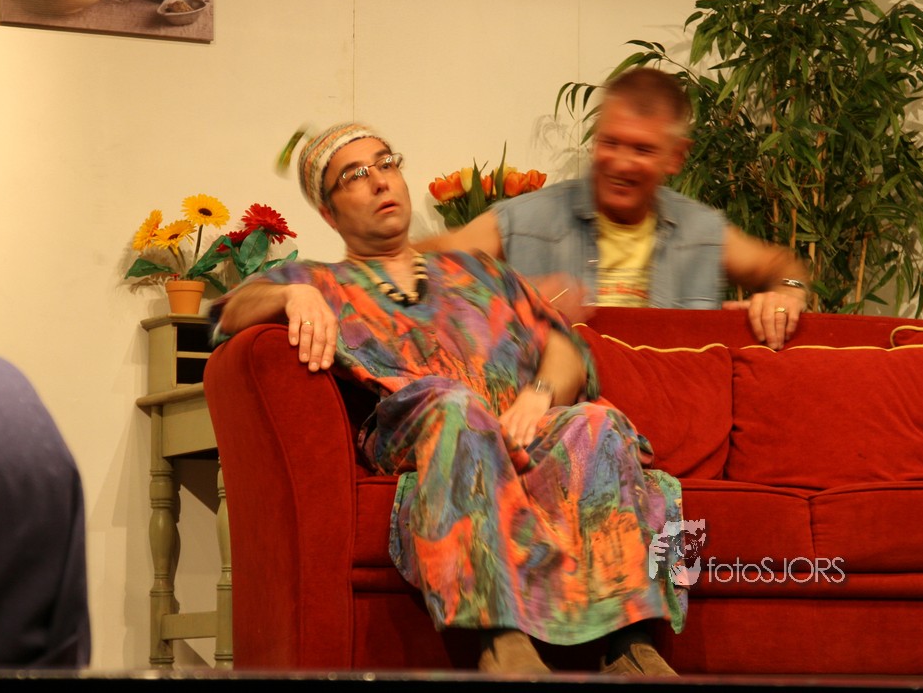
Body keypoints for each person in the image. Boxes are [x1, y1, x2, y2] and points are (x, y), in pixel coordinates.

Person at [211, 122, 690, 676]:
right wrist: (291, 295)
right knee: (455, 404)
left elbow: (566, 349)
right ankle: (499, 641)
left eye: (386, 163)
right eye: (355, 175)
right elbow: (223, 314)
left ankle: (629, 645)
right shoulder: (321, 278)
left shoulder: (478, 271)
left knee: (593, 425)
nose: (380, 181)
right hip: (422, 425)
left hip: (516, 428)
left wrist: (536, 397)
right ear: (329, 212)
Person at [415, 67, 811, 351]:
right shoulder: (527, 220)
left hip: (669, 419)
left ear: (675, 156)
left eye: (642, 149)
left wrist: (787, 293)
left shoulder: (702, 230)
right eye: (611, 143)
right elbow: (414, 263)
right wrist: (516, 295)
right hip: (558, 419)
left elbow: (784, 267)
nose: (621, 163)